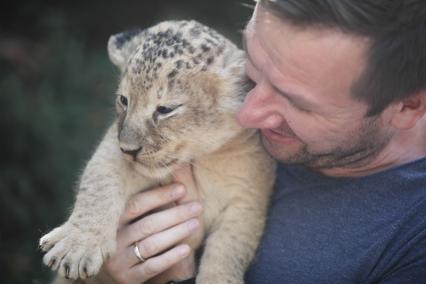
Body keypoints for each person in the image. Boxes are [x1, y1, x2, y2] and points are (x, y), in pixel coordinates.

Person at [103, 0, 426, 283]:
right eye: (252, 71)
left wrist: (177, 278)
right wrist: (98, 278)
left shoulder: (413, 244)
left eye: (297, 103)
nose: (245, 115)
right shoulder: (212, 89)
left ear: (406, 106)